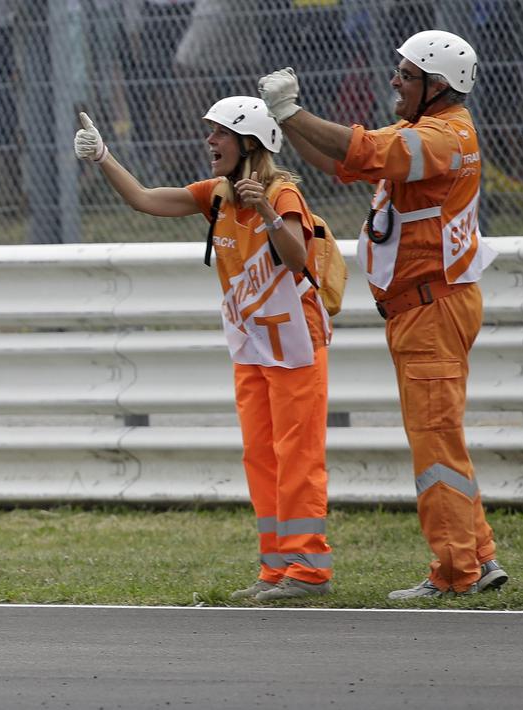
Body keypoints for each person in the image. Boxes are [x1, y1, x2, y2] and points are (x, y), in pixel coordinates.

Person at [258, 30, 508, 600]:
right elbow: (341, 160)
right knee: (441, 440)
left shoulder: (444, 137)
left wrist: (293, 110)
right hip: (425, 308)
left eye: (405, 73)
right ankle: (480, 555)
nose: (393, 80)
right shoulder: (429, 129)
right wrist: (288, 119)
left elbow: (364, 151)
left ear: (436, 84)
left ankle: (455, 573)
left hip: (430, 310)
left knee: (435, 445)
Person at [75, 97, 334, 601]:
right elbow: (146, 200)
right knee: (261, 455)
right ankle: (275, 567)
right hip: (253, 346)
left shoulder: (282, 196)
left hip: (296, 346)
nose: (209, 142)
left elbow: (297, 256)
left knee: (296, 454)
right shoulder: (215, 194)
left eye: (219, 134)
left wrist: (263, 208)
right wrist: (103, 155)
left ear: (249, 142)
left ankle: (308, 569)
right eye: (211, 133)